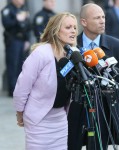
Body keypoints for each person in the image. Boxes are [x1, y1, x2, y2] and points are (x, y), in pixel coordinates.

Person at [68, 3, 119, 150]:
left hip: (109, 107)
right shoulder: (71, 47)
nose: (102, 21)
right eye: (97, 18)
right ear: (84, 22)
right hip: (81, 108)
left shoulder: (117, 45)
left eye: (103, 17)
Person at [13, 12, 78, 150]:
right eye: (68, 27)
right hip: (39, 120)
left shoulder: (73, 54)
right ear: (55, 31)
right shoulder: (41, 53)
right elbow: (22, 86)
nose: (73, 30)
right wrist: (20, 113)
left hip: (60, 119)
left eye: (74, 27)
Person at [1, 0, 31, 97]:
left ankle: (20, 89)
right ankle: (12, 90)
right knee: (12, 66)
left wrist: (27, 40)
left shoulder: (23, 9)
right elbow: (6, 24)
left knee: (21, 66)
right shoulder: (7, 10)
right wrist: (17, 19)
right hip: (13, 41)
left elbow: (27, 26)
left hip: (22, 41)